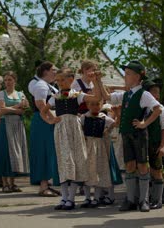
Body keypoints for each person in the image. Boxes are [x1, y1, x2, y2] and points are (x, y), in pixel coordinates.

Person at [100, 60, 162, 212]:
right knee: (129, 166)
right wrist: (98, 80)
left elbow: (158, 109)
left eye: (128, 74)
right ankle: (130, 199)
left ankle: (144, 200)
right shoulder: (126, 94)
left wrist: (144, 124)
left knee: (142, 165)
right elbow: (107, 96)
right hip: (126, 134)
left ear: (137, 76)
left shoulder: (144, 94)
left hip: (139, 135)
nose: (125, 76)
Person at [41, 68, 102, 210]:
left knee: (76, 160)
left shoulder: (77, 95)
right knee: (64, 161)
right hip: (61, 130)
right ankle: (64, 198)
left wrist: (96, 81)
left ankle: (71, 198)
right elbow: (43, 111)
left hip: (74, 129)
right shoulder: (55, 96)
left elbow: (96, 98)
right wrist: (50, 120)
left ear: (71, 79)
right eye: (58, 80)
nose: (60, 83)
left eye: (63, 80)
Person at [0, 71, 30, 192]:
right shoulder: (1, 94)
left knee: (17, 152)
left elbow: (22, 111)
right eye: (6, 80)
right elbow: (2, 110)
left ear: (15, 80)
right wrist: (17, 106)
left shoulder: (20, 94)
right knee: (5, 153)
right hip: (6, 124)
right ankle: (5, 183)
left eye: (10, 80)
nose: (7, 82)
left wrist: (9, 109)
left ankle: (13, 183)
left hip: (18, 124)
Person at [28, 61, 61, 197]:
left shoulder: (48, 85)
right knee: (44, 151)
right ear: (45, 71)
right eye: (54, 69)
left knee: (49, 151)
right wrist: (51, 119)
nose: (56, 71)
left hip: (46, 119)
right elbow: (40, 105)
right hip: (43, 121)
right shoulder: (41, 85)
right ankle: (43, 186)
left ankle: (47, 183)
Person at [80, 100, 117, 208]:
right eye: (92, 104)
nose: (95, 106)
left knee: (98, 171)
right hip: (87, 146)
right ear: (88, 105)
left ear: (101, 105)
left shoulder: (104, 118)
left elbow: (115, 123)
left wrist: (108, 129)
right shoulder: (83, 117)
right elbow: (80, 128)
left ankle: (96, 198)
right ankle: (87, 198)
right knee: (87, 172)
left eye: (97, 104)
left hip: (99, 147)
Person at [141, 79, 164, 210]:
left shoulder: (160, 108)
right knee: (142, 170)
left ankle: (158, 199)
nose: (156, 94)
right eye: (153, 92)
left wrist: (162, 146)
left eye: (157, 92)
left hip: (155, 143)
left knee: (156, 170)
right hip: (141, 143)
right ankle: (143, 198)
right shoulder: (141, 106)